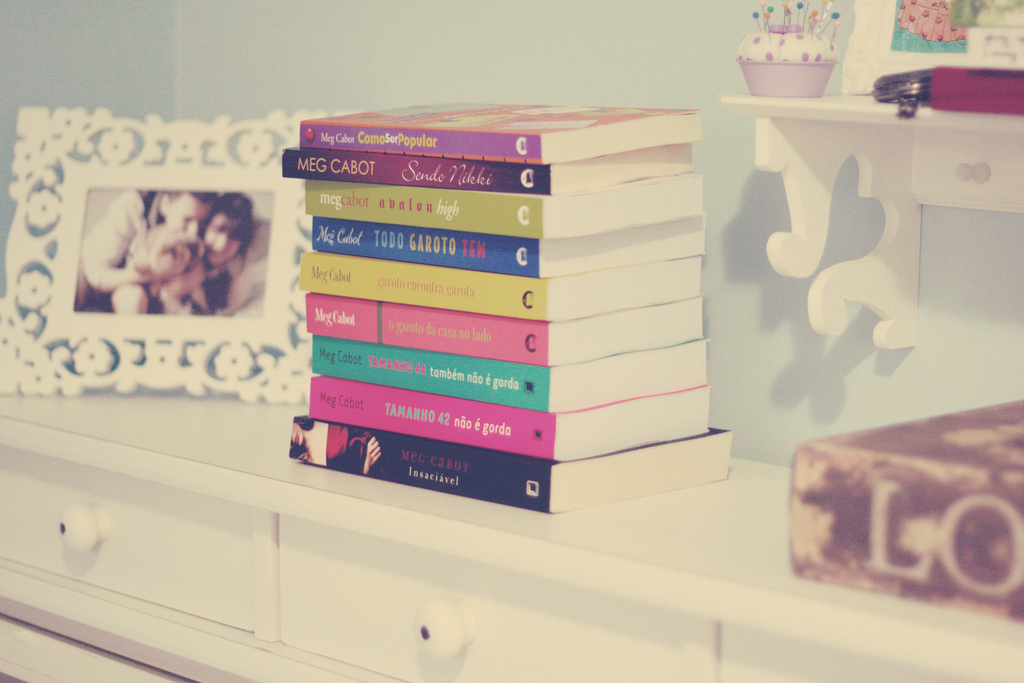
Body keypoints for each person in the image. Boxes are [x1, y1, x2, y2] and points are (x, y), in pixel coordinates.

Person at [77, 190, 217, 313]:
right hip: (116, 281)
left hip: (163, 296)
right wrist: (155, 274)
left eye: (202, 223)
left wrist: (197, 275)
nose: (194, 232)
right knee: (132, 297)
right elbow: (96, 276)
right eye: (187, 219)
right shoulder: (132, 206)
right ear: (166, 205)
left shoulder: (200, 228)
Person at [197, 192, 263, 316]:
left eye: (233, 237)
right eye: (218, 229)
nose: (221, 245)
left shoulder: (240, 271)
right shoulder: (182, 252)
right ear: (204, 226)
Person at [289, 417, 382, 475]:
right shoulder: (311, 465)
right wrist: (367, 468)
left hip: (379, 423)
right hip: (381, 464)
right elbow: (350, 487)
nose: (291, 441)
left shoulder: (319, 413)